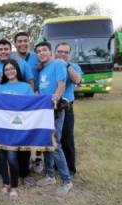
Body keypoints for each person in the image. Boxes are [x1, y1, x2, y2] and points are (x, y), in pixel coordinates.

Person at [0, 39, 36, 185]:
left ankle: (25, 172)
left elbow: (32, 102)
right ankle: (0, 171)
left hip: (21, 121)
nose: (3, 51)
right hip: (4, 122)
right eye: (0, 49)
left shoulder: (25, 86)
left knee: (23, 149)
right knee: (1, 148)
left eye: (6, 48)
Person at [34, 42, 73, 196]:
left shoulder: (57, 63)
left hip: (55, 109)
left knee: (55, 144)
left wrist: (55, 99)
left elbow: (61, 85)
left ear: (50, 52)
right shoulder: (43, 69)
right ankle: (50, 176)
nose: (41, 53)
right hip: (44, 110)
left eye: (44, 50)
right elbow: (41, 88)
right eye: (38, 51)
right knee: (47, 143)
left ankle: (67, 181)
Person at [0, 60, 34, 199]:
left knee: (12, 157)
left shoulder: (25, 87)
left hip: (16, 127)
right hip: (2, 127)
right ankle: (6, 184)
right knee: (0, 156)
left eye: (12, 68)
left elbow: (32, 106)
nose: (10, 71)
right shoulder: (0, 87)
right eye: (7, 69)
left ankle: (14, 186)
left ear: (17, 70)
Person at [12, 32, 44, 174]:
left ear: (29, 42)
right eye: (19, 41)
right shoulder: (13, 58)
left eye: (25, 41)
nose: (23, 43)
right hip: (19, 99)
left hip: (36, 96)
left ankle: (37, 158)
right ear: (15, 44)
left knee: (36, 129)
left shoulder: (38, 56)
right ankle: (20, 161)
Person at [55, 42, 82, 177]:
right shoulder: (50, 65)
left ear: (69, 54)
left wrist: (66, 65)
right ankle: (56, 165)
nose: (63, 54)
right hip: (50, 107)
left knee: (66, 137)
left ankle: (70, 168)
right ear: (55, 52)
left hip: (66, 107)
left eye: (66, 52)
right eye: (60, 51)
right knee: (53, 138)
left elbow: (77, 80)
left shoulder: (74, 66)